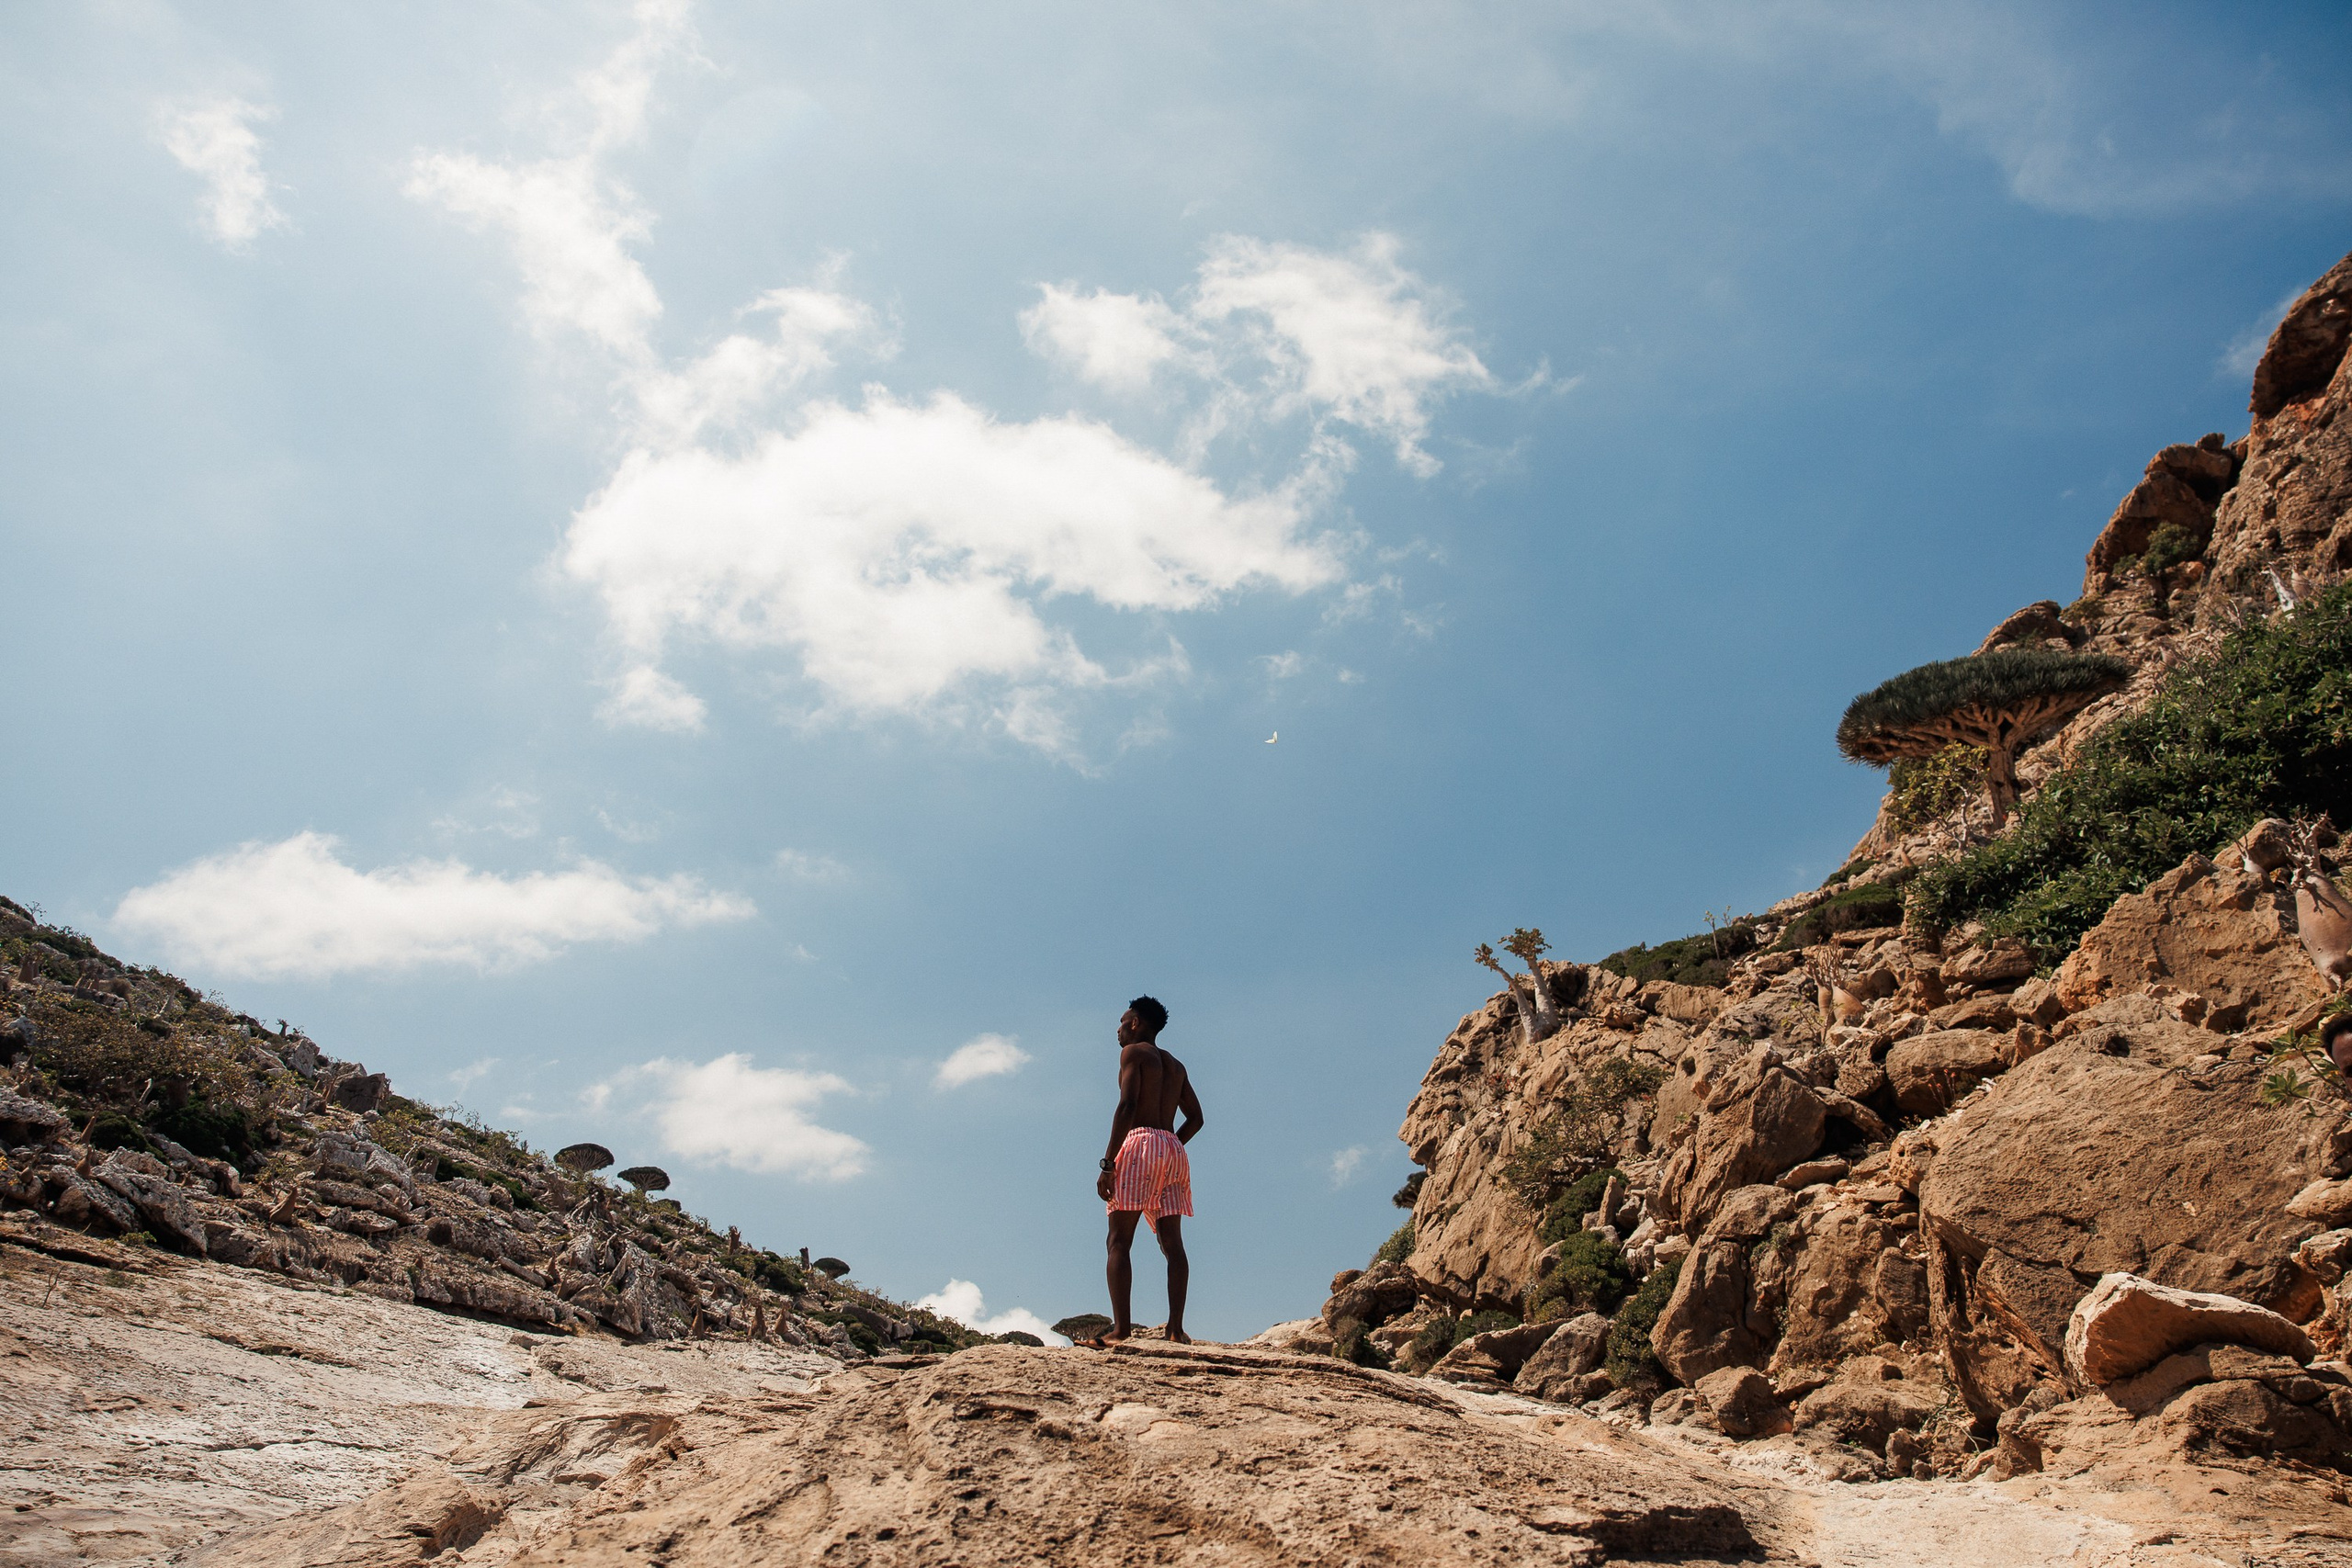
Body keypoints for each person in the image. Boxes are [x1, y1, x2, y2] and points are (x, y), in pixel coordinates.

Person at [1086, 995, 1204, 1346]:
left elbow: (1128, 1105)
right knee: (1172, 1244)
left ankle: (1121, 1331)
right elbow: (1196, 1118)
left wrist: (1108, 1163)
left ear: (1136, 1023)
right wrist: (1170, 1147)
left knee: (1118, 1240)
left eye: (1122, 1024)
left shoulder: (1134, 1054)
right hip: (1173, 1148)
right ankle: (1175, 1330)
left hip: (1140, 1143)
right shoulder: (1176, 1065)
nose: (1119, 1032)